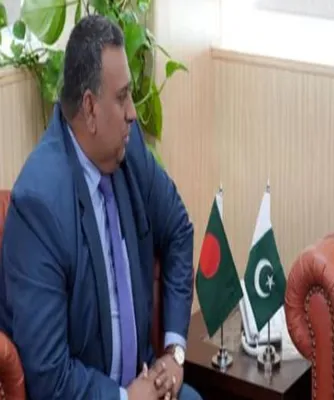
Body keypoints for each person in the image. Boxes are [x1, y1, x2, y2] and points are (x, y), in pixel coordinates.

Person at [0, 15, 203, 400]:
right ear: (90, 109)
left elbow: (178, 229)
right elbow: (49, 375)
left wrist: (174, 352)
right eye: (122, 96)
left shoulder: (128, 149)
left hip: (147, 381)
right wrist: (125, 398)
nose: (132, 112)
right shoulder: (39, 205)